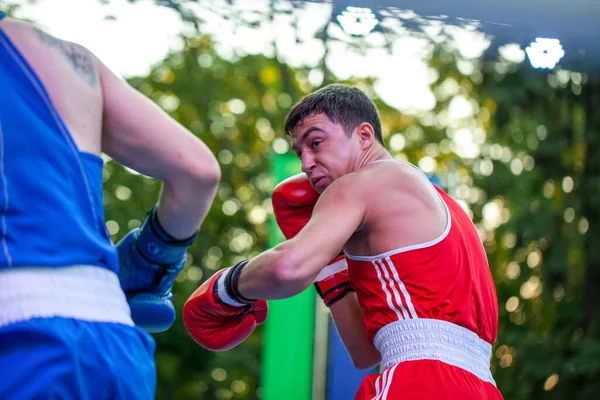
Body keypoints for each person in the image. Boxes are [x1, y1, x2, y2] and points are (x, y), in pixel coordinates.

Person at [184, 84, 503, 399]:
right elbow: (366, 353)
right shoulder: (452, 212)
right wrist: (330, 273)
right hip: (481, 388)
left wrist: (227, 290)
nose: (306, 163)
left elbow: (288, 268)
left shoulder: (359, 183)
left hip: (417, 381)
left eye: (316, 143)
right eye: (300, 153)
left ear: (364, 136)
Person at [0, 13, 220, 399]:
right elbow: (197, 172)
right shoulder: (69, 58)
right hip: (113, 335)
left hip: (17, 336)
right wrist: (154, 261)